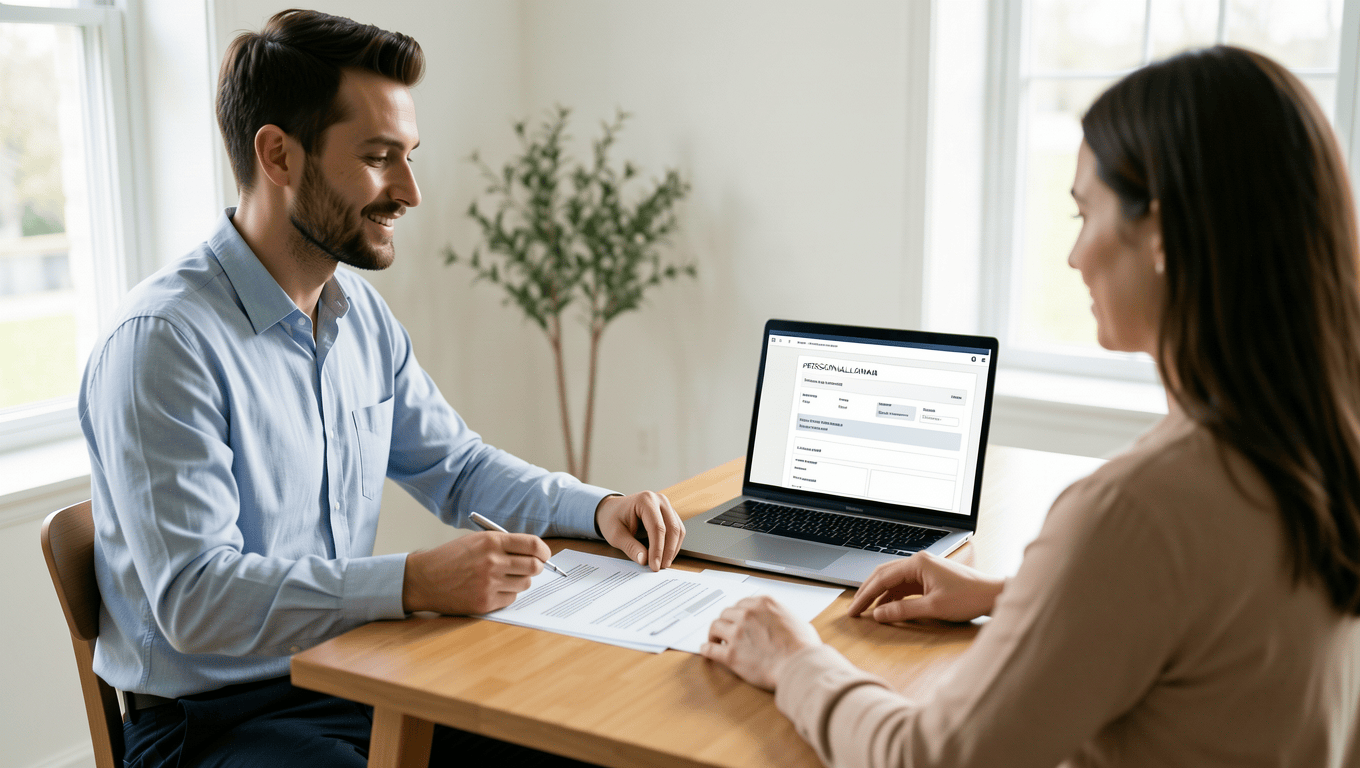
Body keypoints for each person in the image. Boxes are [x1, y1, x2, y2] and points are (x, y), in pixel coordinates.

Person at [701, 45, 1360, 767]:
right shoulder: (1315, 453)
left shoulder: (1136, 511)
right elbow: (1223, 620)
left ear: (1163, 234)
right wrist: (1016, 595)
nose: (1075, 255)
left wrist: (795, 659)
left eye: (1085, 213)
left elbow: (932, 758)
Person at [79, 9, 684, 768]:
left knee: (581, 735)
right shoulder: (162, 344)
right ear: (279, 156)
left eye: (409, 156)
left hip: (352, 677)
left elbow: (458, 468)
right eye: (379, 157)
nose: (410, 191)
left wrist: (599, 508)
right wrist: (414, 581)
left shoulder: (356, 314)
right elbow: (197, 601)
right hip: (208, 726)